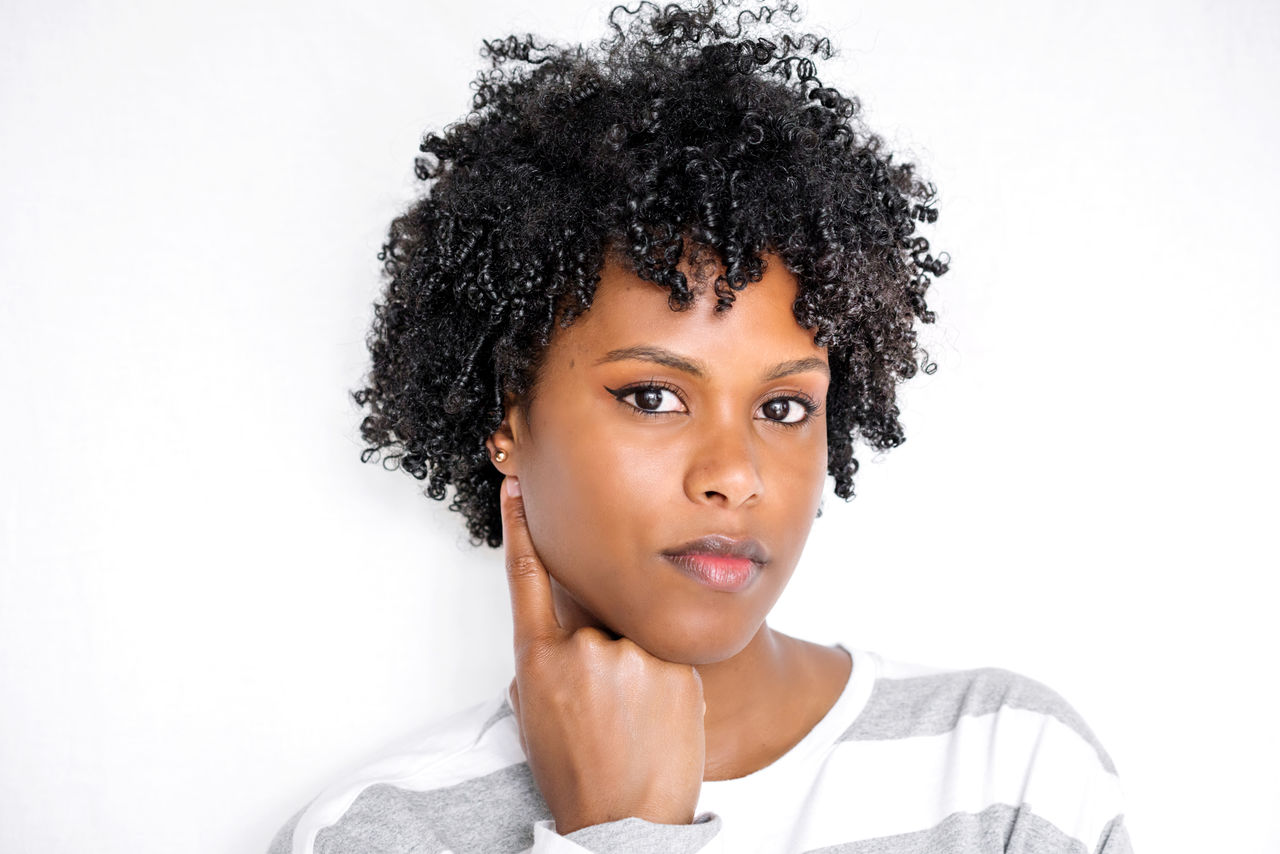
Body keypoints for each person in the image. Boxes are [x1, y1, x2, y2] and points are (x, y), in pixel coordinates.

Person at [269, 1, 1130, 851]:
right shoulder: (379, 834)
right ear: (507, 417)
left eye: (783, 408)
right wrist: (624, 835)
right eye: (653, 397)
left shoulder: (1008, 775)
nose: (736, 473)